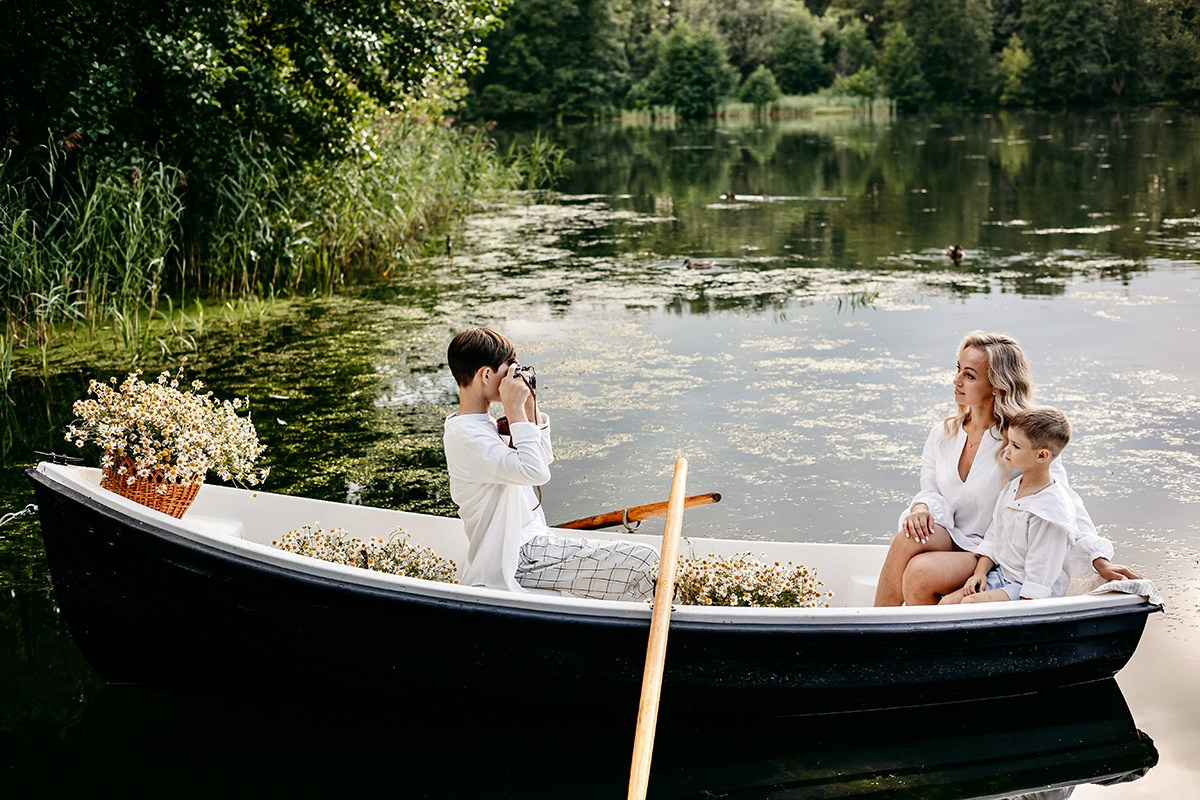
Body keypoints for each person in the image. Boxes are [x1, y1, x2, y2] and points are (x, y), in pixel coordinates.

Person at [873, 331, 1139, 607]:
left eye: (969, 375)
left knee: (920, 572)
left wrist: (1098, 560)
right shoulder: (943, 433)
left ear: (997, 386)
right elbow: (931, 490)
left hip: (995, 552)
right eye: (958, 370)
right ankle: (871, 626)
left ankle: (921, 639)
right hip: (954, 536)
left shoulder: (1020, 442)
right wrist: (921, 508)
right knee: (908, 536)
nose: (956, 381)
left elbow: (1063, 503)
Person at [443, 326, 658, 600]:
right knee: (644, 559)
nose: (515, 377)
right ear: (486, 375)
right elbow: (535, 471)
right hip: (516, 558)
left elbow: (542, 459)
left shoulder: (482, 425)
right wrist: (515, 410)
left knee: (646, 565)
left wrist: (529, 408)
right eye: (508, 371)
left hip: (535, 545)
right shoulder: (466, 435)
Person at [940, 407, 1084, 605]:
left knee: (969, 605)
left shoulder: (1049, 510)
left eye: (1016, 446)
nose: (1006, 449)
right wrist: (980, 573)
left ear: (1042, 456)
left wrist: (1024, 604)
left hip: (1030, 588)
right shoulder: (1013, 487)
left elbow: (1042, 568)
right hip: (1003, 575)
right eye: (1008, 441)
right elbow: (994, 535)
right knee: (947, 603)